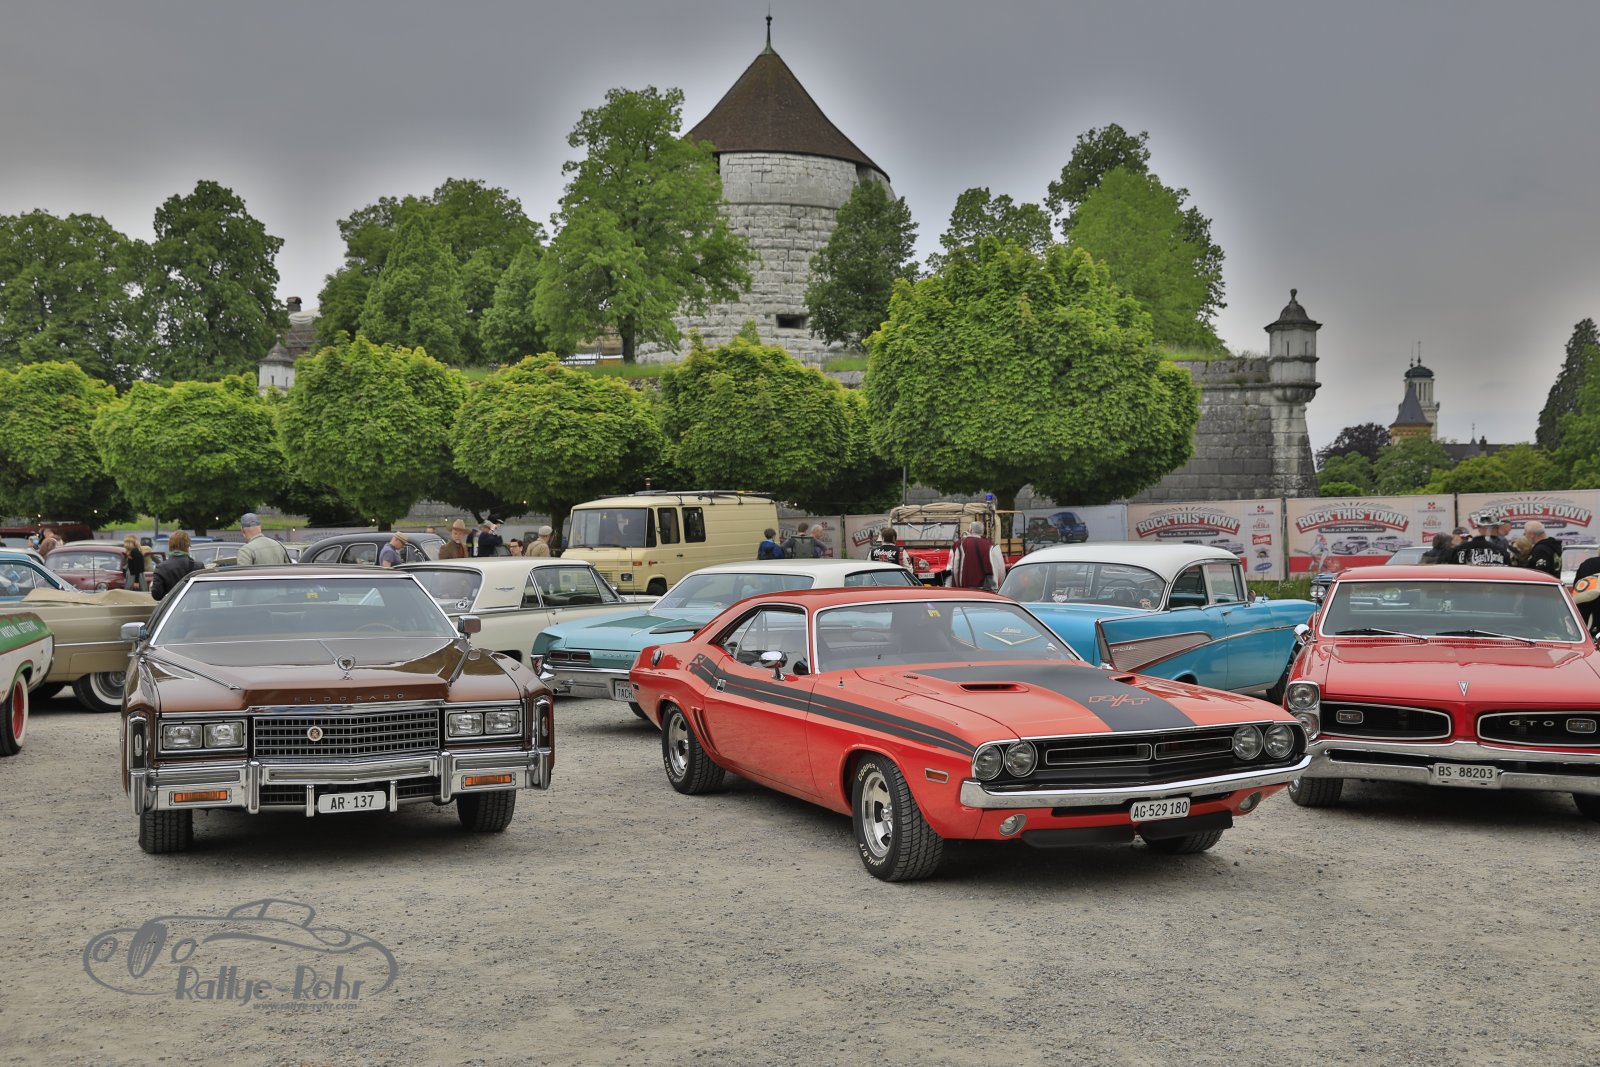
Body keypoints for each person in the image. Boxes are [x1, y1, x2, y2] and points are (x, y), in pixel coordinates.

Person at [149, 530, 206, 601]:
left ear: (170, 545)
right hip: (194, 606)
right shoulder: (198, 566)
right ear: (187, 545)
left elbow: (156, 595)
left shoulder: (161, 568)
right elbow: (204, 594)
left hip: (173, 606)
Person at [951, 521, 1006, 590]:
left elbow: (955, 569)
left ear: (970, 530)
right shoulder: (991, 545)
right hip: (987, 589)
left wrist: (957, 586)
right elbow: (1001, 570)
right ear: (982, 532)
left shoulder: (959, 545)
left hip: (965, 589)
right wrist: (998, 587)